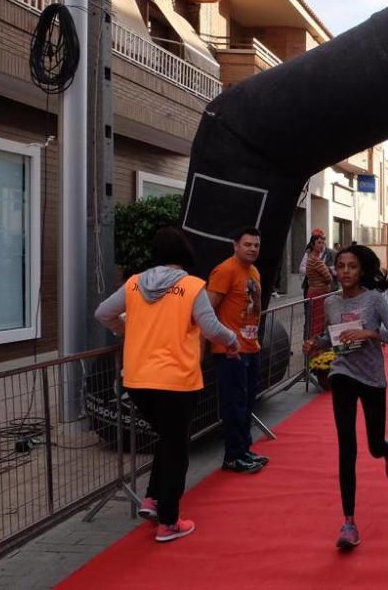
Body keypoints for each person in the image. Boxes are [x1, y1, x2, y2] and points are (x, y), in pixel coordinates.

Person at [95, 227, 239, 543]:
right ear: (185, 254)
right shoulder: (191, 286)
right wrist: (231, 342)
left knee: (167, 438)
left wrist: (125, 330)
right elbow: (212, 327)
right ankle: (169, 521)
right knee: (178, 449)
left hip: (137, 380)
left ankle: (152, 499)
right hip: (177, 381)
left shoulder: (133, 284)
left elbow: (103, 313)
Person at [301, 245, 388, 550]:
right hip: (342, 373)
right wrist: (315, 345)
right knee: (346, 447)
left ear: (362, 271)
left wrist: (370, 334)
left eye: (352, 266)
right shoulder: (331, 302)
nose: (345, 271)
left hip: (372, 378)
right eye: (341, 266)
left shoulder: (374, 300)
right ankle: (349, 522)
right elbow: (331, 338)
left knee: (373, 446)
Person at [208, 227, 269, 474]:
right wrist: (223, 340)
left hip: (251, 348)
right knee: (234, 405)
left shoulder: (253, 271)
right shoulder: (224, 270)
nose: (253, 248)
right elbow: (207, 309)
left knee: (247, 403)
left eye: (256, 245)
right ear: (235, 245)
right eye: (248, 244)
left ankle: (244, 450)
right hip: (230, 351)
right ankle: (233, 456)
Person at [301, 232, 334, 338]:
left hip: (313, 291)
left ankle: (312, 346)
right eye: (319, 242)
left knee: (314, 321)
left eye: (323, 243)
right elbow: (329, 277)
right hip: (319, 293)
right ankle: (314, 349)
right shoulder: (315, 261)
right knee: (318, 322)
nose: (321, 245)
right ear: (313, 244)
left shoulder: (310, 258)